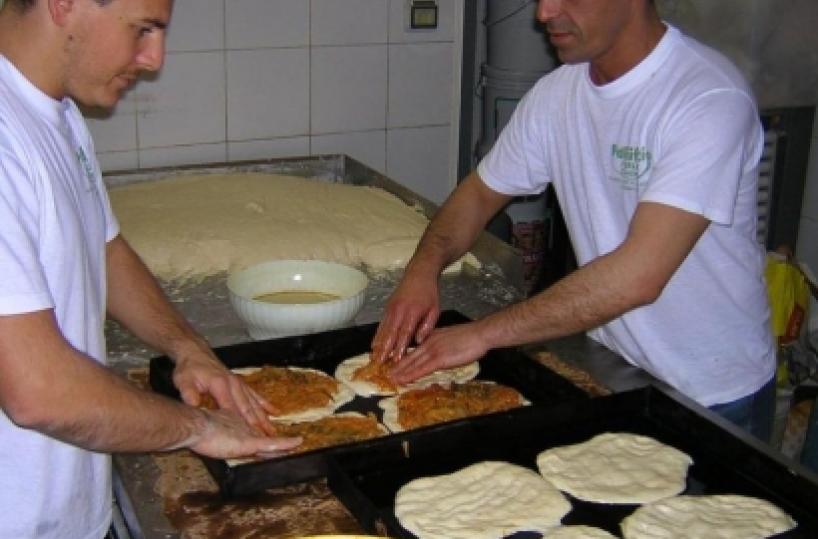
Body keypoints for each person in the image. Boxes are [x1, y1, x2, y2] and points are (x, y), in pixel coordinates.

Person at [372, 0, 775, 442]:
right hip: (615, 369)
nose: (545, 12)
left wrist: (483, 333)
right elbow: (480, 193)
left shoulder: (706, 100)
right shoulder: (557, 95)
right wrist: (423, 269)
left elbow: (639, 276)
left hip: (711, 395)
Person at [0, 0, 301, 537]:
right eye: (142, 29)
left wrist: (189, 349)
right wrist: (197, 427)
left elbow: (105, 250)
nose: (155, 58)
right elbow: (38, 391)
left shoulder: (56, 112)